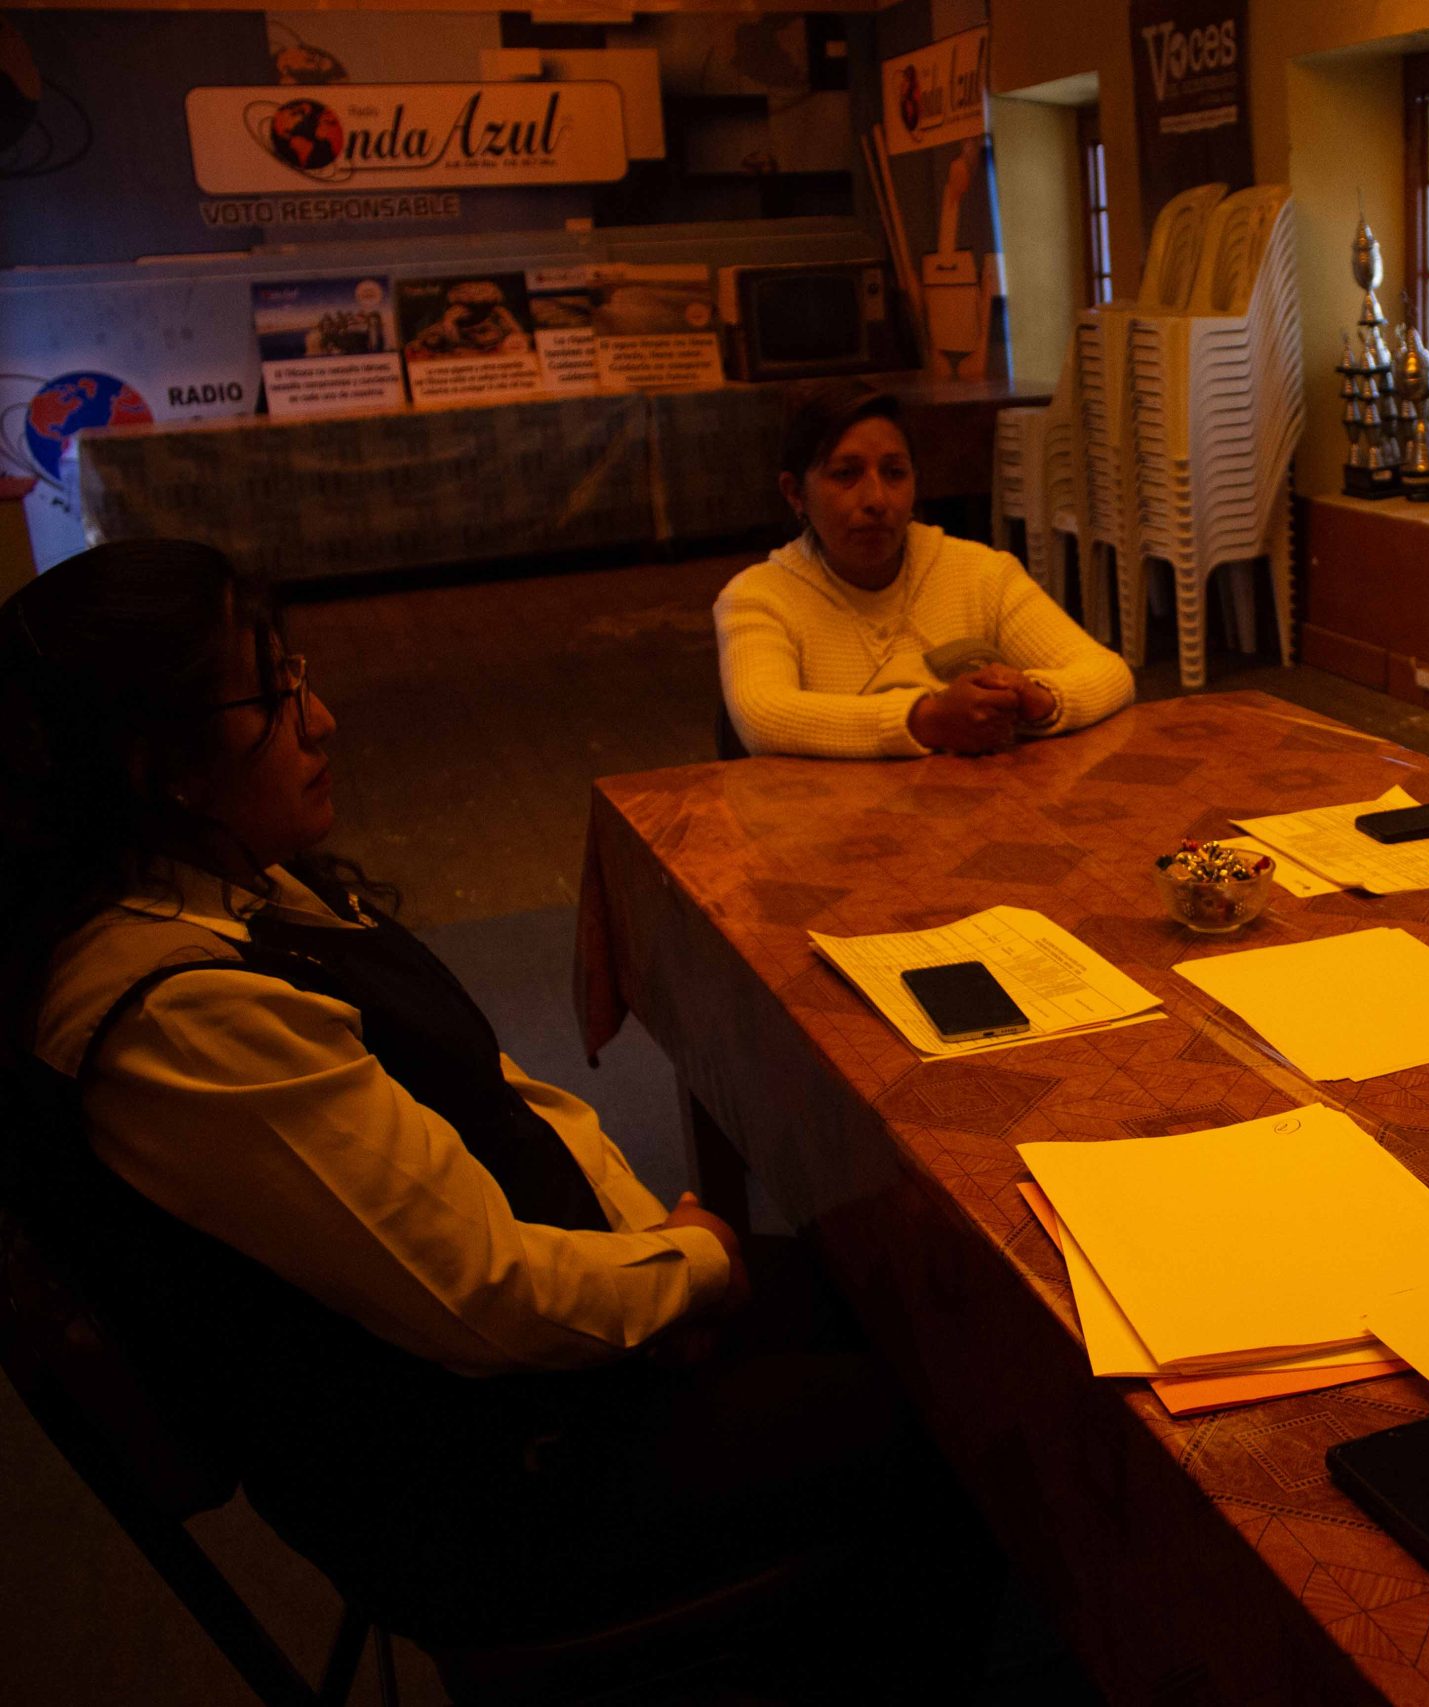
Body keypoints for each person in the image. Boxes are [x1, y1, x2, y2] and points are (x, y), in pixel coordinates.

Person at [0, 540, 993, 1653]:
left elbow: (497, 1088)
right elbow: (482, 1297)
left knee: (912, 1298)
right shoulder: (177, 1015)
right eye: (273, 698)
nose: (321, 721)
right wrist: (692, 1273)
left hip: (540, 1358)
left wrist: (652, 1250)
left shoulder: (221, 882)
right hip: (495, 1484)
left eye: (298, 676)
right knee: (958, 1415)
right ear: (157, 765)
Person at [716, 379, 1136, 758]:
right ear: (795, 493)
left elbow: (1110, 673)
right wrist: (927, 719)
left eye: (894, 473)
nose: (877, 499)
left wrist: (1036, 697)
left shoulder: (979, 573)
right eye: (846, 474)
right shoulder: (760, 596)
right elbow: (763, 716)